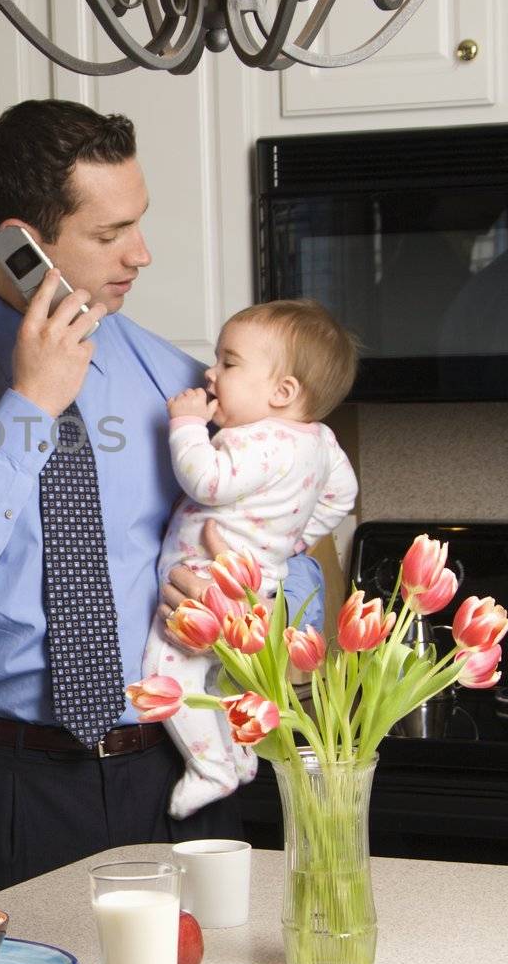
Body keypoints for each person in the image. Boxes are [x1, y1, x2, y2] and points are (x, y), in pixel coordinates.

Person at [0, 100, 324, 904]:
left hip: (181, 773)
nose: (141, 253)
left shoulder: (180, 385)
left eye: (137, 223)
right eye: (108, 235)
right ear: (21, 242)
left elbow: (294, 565)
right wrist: (27, 406)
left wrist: (250, 601)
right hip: (9, 790)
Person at [147, 298, 359, 818]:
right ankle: (240, 758)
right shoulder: (320, 440)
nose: (209, 371)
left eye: (229, 362)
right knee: (221, 682)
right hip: (257, 583)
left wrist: (188, 425)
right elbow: (342, 495)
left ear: (282, 391)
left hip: (208, 581)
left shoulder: (257, 440)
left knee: (167, 673)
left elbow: (207, 480)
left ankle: (211, 769)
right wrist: (290, 538)